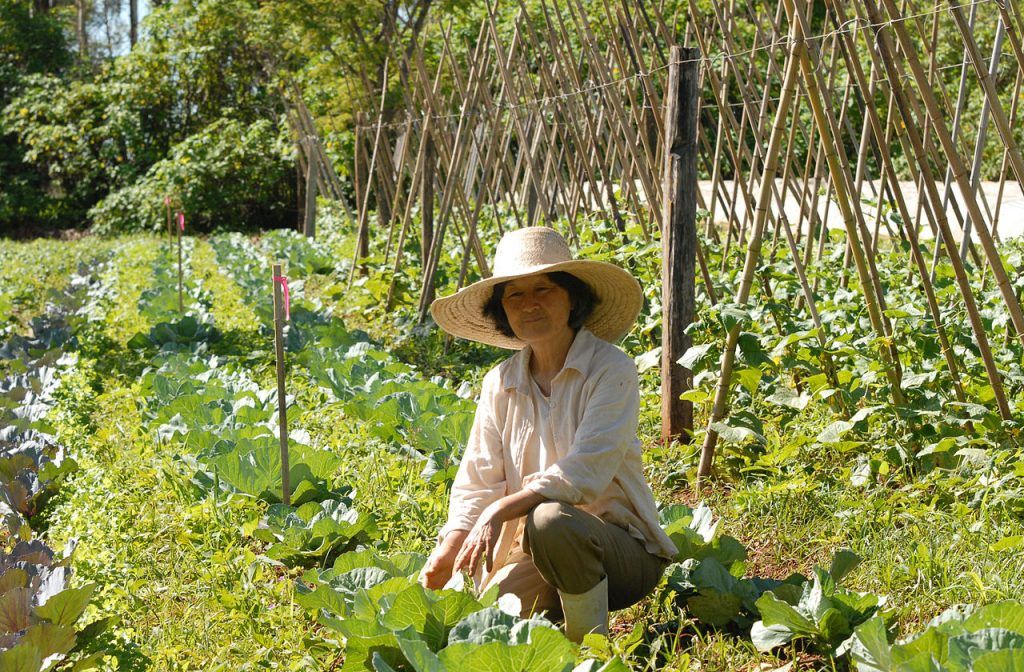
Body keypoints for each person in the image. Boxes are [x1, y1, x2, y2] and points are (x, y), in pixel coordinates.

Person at [419, 226, 677, 642]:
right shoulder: (499, 383)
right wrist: (449, 547)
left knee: (549, 517)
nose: (530, 304)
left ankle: (589, 647)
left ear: (572, 297)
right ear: (502, 311)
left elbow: (584, 471)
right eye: (515, 295)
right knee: (478, 632)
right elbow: (477, 478)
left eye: (544, 289)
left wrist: (499, 510)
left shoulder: (610, 369)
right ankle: (558, 616)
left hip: (620, 553)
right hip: (532, 551)